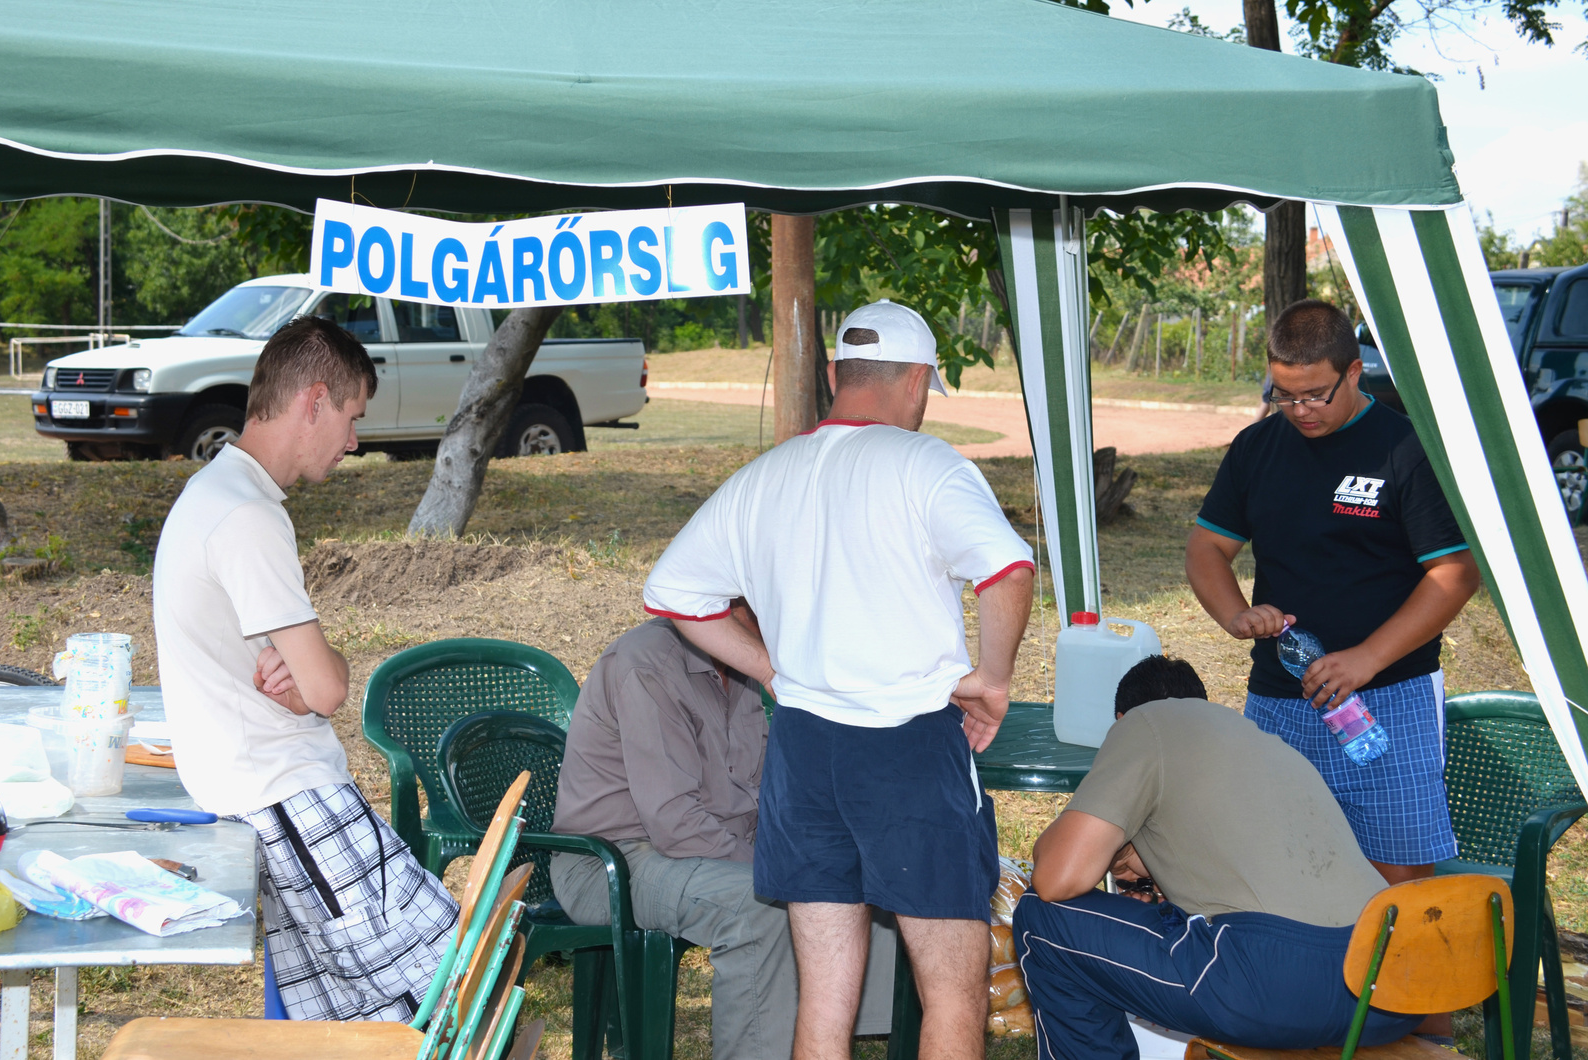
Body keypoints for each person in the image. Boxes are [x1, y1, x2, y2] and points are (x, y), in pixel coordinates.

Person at [643, 299, 1035, 1060]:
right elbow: (1007, 569)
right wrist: (992, 676)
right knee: (950, 992)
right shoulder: (929, 464)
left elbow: (672, 593)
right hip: (909, 750)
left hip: (802, 752)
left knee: (824, 996)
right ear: (920, 379)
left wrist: (776, 673)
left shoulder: (766, 474)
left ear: (834, 374)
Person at [153, 316, 456, 1021]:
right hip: (286, 794)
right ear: (314, 401)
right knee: (445, 995)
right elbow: (326, 687)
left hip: (271, 791)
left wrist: (313, 678)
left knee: (341, 1021)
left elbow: (306, 677)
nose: (354, 440)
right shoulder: (247, 516)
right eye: (352, 417)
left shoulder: (218, 496)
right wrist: (316, 680)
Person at [1184, 298, 1480, 886]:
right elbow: (1205, 550)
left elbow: (1456, 575)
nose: (1299, 411)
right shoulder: (1256, 448)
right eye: (1284, 394)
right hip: (1279, 697)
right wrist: (1237, 616)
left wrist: (1366, 659)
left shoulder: (1404, 448)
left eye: (1315, 394)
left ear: (1352, 372)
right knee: (1280, 870)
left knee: (1395, 881)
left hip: (1388, 699)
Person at [1012, 655, 1422, 1060]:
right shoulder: (1257, 737)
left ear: (1120, 719)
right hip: (1392, 983)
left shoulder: (1143, 724)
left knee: (1042, 918)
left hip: (1276, 983)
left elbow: (1056, 878)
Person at [549, 608, 897, 1060]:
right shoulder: (647, 663)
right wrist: (782, 869)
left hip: (701, 849)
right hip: (615, 860)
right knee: (763, 908)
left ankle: (838, 1036)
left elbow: (765, 783)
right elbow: (675, 823)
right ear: (731, 611)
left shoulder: (741, 666)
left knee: (861, 880)